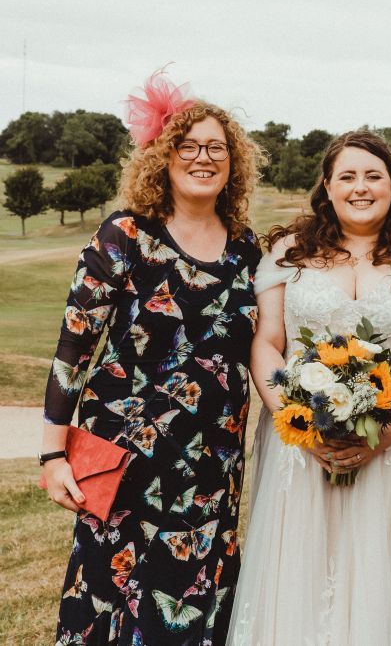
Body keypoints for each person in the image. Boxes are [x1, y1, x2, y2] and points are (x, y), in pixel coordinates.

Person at [40, 70, 266, 644]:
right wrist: (51, 455)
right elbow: (74, 348)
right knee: (109, 605)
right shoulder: (124, 236)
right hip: (119, 456)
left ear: (233, 162)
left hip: (211, 468)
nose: (203, 158)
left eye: (217, 148)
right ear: (162, 157)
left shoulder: (247, 247)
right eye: (188, 147)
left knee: (192, 607)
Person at [228, 130, 391, 645]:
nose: (361, 187)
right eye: (347, 177)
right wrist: (296, 422)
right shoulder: (288, 254)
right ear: (327, 188)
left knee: (386, 564)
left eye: (374, 176)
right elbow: (266, 343)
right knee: (302, 568)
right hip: (300, 442)